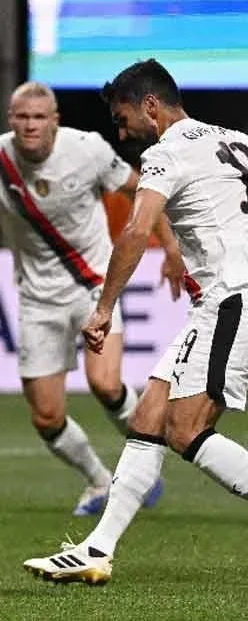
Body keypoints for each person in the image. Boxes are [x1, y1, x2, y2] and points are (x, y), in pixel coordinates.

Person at [23, 59, 248, 584]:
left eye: (122, 120)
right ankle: (96, 548)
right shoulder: (236, 138)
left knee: (186, 430)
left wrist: (103, 308)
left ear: (151, 106)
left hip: (233, 298)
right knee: (149, 415)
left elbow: (135, 231)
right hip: (220, 301)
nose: (121, 134)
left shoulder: (166, 152)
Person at [0, 81, 184, 516]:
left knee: (105, 384)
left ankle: (143, 466)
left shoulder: (87, 150)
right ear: (11, 121)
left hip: (94, 286)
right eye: (22, 117)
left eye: (38, 117)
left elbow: (142, 190)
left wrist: (171, 248)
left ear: (55, 121)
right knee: (46, 417)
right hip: (38, 299)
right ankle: (99, 481)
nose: (30, 125)